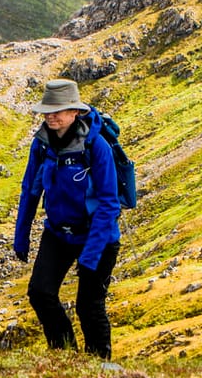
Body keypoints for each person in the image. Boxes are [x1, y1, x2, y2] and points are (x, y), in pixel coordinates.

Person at [13, 78, 122, 359]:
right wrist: (21, 237)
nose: (51, 115)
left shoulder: (96, 146)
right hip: (58, 233)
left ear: (75, 112)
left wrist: (90, 256)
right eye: (48, 110)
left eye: (58, 110)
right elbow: (30, 190)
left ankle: (100, 367)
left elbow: (109, 204)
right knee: (40, 293)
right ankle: (65, 356)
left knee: (89, 306)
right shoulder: (41, 144)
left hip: (97, 236)